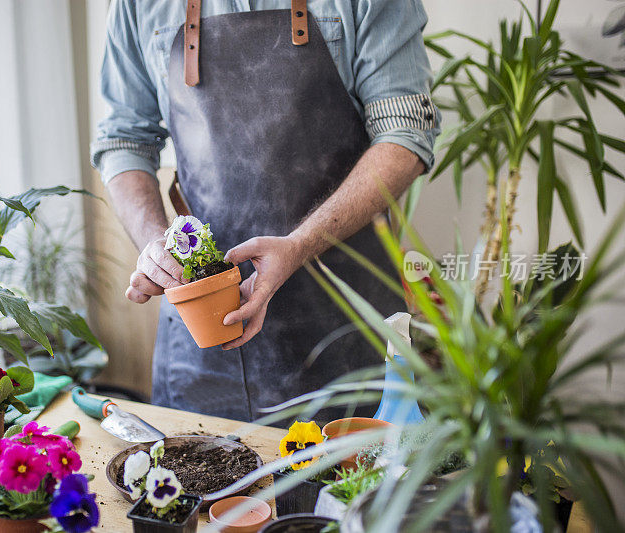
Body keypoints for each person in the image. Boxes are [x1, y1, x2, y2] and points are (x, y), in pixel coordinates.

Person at [92, 0, 441, 423]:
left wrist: (299, 244)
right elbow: (123, 143)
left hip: (343, 324)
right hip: (203, 332)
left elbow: (405, 133)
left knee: (344, 485)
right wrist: (155, 243)